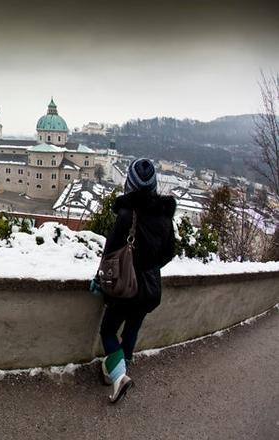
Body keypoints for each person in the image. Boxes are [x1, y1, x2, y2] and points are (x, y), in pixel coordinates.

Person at [90, 158, 176, 403]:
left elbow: (109, 255)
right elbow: (169, 252)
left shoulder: (127, 215)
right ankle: (119, 367)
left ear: (129, 184)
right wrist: (150, 267)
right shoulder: (164, 217)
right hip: (150, 288)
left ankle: (119, 376)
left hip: (125, 288)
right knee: (132, 329)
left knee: (108, 330)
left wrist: (100, 279)